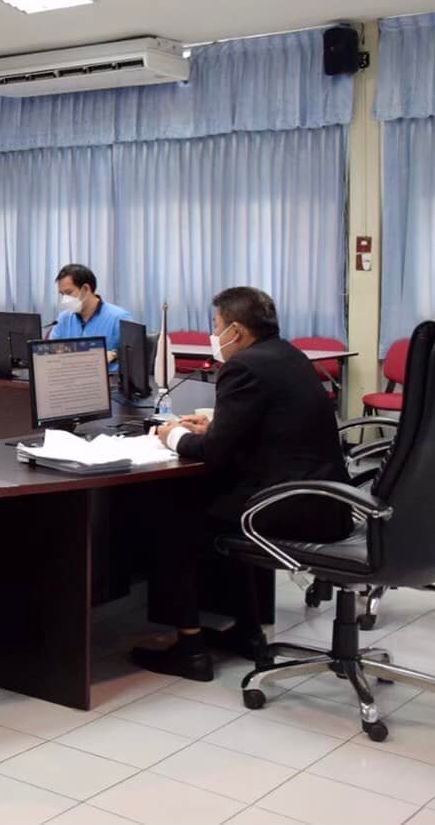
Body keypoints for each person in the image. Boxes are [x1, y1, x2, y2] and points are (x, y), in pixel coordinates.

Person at [133, 287, 350, 681]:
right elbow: (270, 424)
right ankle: (247, 632)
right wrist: (217, 425)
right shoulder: (288, 354)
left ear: (236, 330)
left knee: (170, 516)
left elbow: (214, 453)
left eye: (216, 326)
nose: (214, 335)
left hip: (286, 505)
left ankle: (190, 649)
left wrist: (171, 435)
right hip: (322, 499)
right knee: (209, 502)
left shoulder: (244, 366)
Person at [50, 263, 132, 365]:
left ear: (85, 289)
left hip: (108, 374)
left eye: (68, 293)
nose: (64, 299)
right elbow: (52, 353)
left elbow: (134, 354)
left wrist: (114, 354)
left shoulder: (119, 317)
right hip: (70, 372)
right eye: (62, 294)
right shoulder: (63, 318)